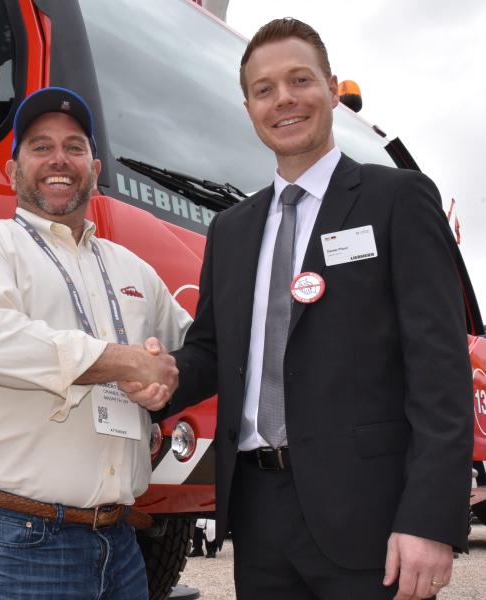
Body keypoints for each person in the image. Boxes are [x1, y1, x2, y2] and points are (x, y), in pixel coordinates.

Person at [129, 17, 474, 600]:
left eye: (299, 81)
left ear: (332, 89)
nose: (283, 99)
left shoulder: (398, 199)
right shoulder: (232, 229)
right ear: (248, 107)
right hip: (259, 516)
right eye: (264, 90)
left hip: (371, 515)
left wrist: (428, 519)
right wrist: (161, 378)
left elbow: (441, 372)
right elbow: (214, 350)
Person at [0, 86, 190, 600]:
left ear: (94, 167)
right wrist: (125, 361)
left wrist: (165, 382)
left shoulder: (133, 269)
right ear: (12, 169)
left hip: (119, 544)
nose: (59, 160)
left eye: (74, 147)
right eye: (41, 146)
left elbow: (190, 346)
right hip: (11, 541)